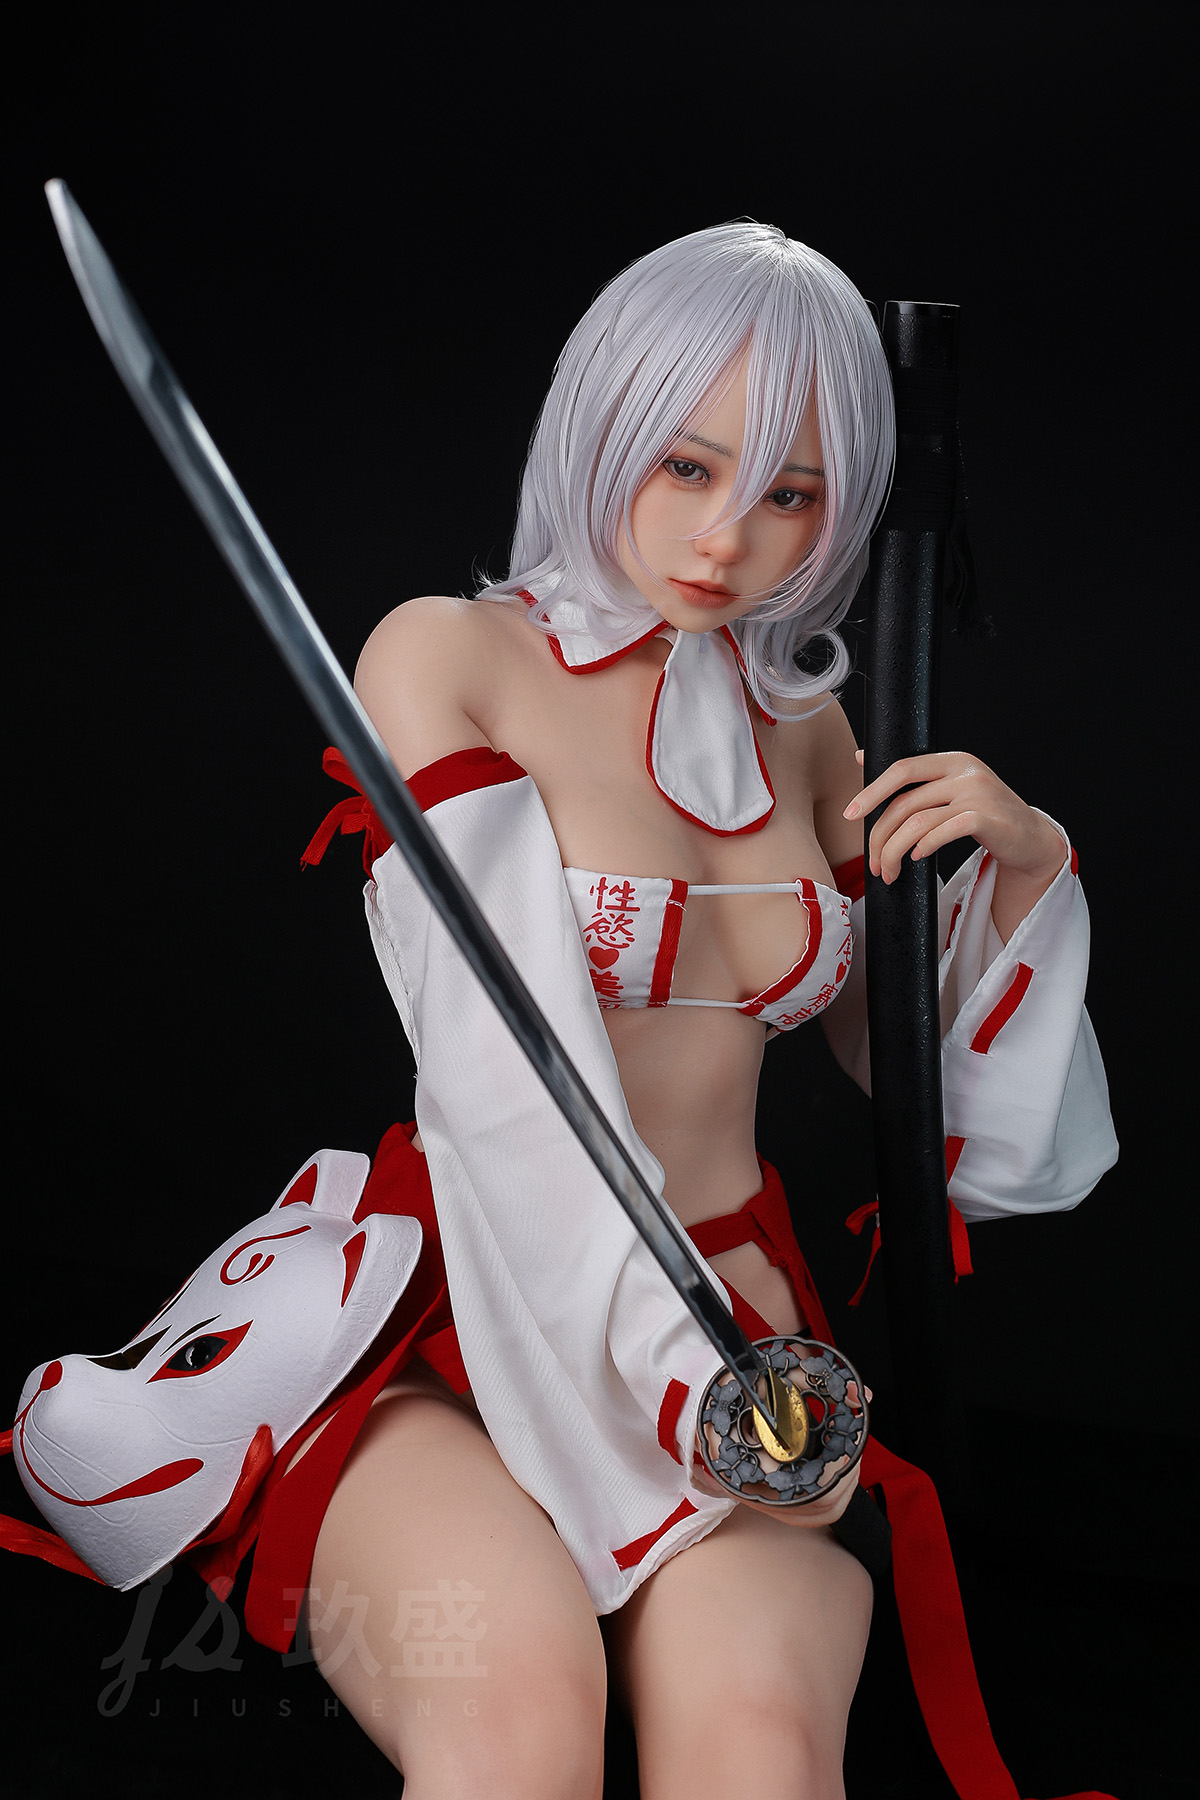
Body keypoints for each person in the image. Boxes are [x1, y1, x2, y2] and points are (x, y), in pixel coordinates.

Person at [287, 221, 1116, 1798]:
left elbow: (938, 1110)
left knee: (757, 1759)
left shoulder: (806, 735)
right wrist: (695, 1386)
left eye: (789, 494)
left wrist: (1023, 867)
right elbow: (502, 1073)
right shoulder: (447, 657)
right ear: (600, 424)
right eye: (684, 465)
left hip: (751, 1329)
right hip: (471, 1314)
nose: (726, 540)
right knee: (518, 1736)